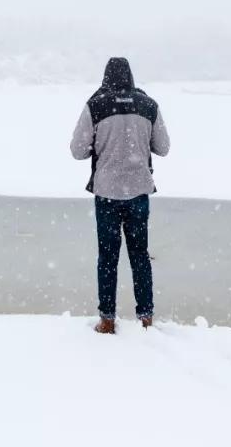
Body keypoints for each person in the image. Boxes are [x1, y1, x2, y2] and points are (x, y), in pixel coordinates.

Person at [70, 57, 170, 334]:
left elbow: (77, 150)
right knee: (139, 255)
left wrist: (101, 145)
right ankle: (146, 318)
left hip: (107, 193)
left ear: (106, 77)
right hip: (138, 191)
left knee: (108, 257)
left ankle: (107, 320)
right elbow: (163, 147)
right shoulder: (148, 105)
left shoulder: (96, 105)